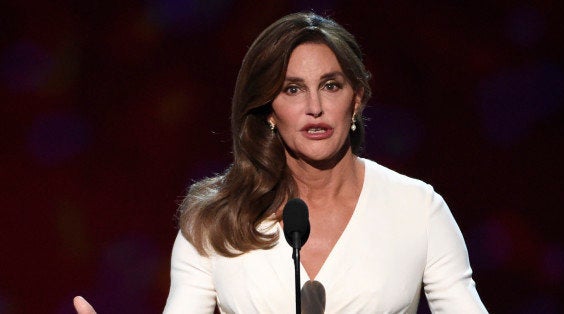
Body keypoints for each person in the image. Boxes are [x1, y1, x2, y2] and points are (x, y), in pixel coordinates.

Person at [76, 11, 487, 313]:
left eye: (331, 85)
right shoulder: (215, 221)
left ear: (357, 98)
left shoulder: (417, 209)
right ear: (269, 110)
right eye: (292, 89)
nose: (315, 107)